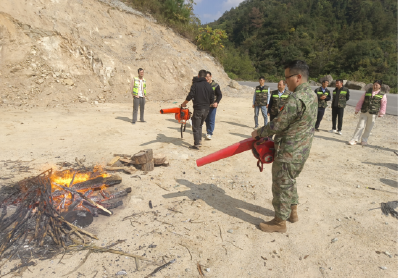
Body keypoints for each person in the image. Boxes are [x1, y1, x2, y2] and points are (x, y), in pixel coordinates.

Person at [251, 60, 317, 233]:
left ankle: (280, 221)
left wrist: (259, 133)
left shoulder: (296, 98)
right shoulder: (312, 95)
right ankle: (292, 212)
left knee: (281, 184)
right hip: (302, 149)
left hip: (289, 150)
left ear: (298, 77)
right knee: (290, 180)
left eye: (288, 77)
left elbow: (279, 124)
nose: (285, 81)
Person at [181, 70, 214, 150]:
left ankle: (196, 144)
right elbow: (212, 99)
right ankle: (199, 141)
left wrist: (184, 103)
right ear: (205, 77)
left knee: (196, 126)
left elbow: (190, 95)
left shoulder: (195, 85)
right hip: (206, 109)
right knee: (199, 125)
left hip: (198, 108)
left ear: (198, 76)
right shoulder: (209, 85)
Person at [348, 80, 387, 146]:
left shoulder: (382, 95)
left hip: (373, 113)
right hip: (364, 111)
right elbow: (361, 101)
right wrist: (357, 109)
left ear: (380, 86)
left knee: (369, 128)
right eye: (374, 84)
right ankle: (354, 139)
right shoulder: (367, 92)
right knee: (360, 126)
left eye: (376, 85)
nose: (375, 86)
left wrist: (381, 113)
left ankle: (364, 140)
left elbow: (383, 104)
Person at [205, 71, 222, 140]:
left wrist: (217, 102)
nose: (207, 78)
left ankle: (210, 133)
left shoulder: (215, 85)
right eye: (205, 77)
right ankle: (208, 131)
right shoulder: (204, 85)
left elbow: (220, 95)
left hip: (213, 105)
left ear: (211, 76)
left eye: (208, 77)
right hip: (205, 105)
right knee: (206, 119)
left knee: (211, 119)